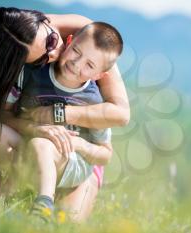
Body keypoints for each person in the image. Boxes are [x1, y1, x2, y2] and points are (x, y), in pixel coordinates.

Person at [0, 7, 129, 222]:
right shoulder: (27, 72)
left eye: (51, 42)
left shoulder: (89, 35)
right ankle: (25, 187)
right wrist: (34, 127)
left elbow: (120, 115)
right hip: (26, 141)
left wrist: (57, 114)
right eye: (39, 60)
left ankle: (46, 195)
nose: (54, 55)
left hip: (75, 157)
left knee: (66, 221)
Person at [8, 21, 123, 216]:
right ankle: (5, 189)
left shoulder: (94, 102)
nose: (76, 64)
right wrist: (33, 127)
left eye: (89, 65)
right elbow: (4, 115)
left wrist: (78, 143)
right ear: (68, 42)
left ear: (99, 75)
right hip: (26, 142)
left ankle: (43, 204)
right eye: (76, 51)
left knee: (43, 145)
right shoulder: (37, 71)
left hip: (71, 162)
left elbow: (106, 155)